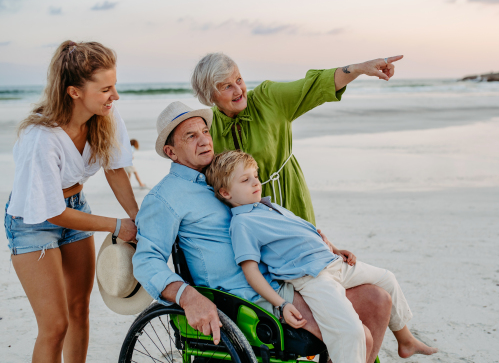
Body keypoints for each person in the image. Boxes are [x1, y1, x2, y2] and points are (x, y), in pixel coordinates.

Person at [133, 102, 392, 360]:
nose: (204, 141)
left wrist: (323, 246)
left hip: (287, 273)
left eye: (205, 132)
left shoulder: (221, 176)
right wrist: (188, 297)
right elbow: (146, 260)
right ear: (171, 151)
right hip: (249, 298)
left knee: (378, 299)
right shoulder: (164, 197)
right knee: (360, 337)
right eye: (191, 136)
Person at [206, 150, 438, 362]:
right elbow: (250, 271)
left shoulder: (268, 207)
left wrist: (335, 248)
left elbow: (309, 233)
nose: (256, 182)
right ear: (226, 192)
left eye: (255, 176)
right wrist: (282, 303)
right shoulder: (242, 223)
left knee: (387, 279)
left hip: (333, 262)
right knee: (350, 331)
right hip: (313, 277)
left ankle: (405, 340)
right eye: (245, 180)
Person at [4, 41, 139, 363]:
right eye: (106, 89)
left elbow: (116, 168)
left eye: (114, 86)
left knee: (80, 310)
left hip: (76, 209)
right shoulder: (42, 138)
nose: (115, 96)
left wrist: (137, 216)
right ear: (74, 91)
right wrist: (118, 225)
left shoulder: (105, 114)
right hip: (32, 222)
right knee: (54, 326)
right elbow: (51, 212)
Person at [191, 53, 402, 225]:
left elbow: (314, 85)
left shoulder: (268, 98)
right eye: (227, 86)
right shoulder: (207, 128)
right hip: (244, 221)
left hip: (289, 199)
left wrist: (358, 68)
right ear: (210, 96)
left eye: (239, 80)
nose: (239, 90)